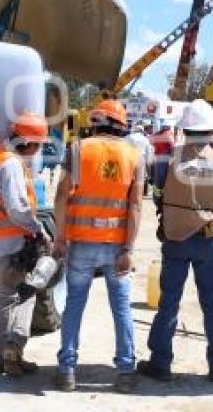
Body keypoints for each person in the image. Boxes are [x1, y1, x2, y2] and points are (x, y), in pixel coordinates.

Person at [137, 99, 213, 383]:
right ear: (211, 130)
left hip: (176, 239)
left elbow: (158, 195)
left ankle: (160, 363)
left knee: (169, 301)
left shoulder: (169, 160)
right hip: (210, 241)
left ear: (186, 128)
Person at [52, 99, 144, 393]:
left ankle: (67, 370)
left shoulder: (77, 149)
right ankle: (126, 372)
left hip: (81, 243)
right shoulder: (134, 155)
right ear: (121, 125)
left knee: (74, 305)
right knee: (121, 308)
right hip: (117, 246)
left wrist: (60, 238)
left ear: (95, 122)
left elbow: (61, 196)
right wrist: (128, 249)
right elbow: (136, 205)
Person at [0, 112, 51, 377]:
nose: (38, 150)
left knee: (6, 295)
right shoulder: (11, 165)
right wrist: (38, 229)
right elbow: (17, 207)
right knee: (26, 293)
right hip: (12, 241)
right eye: (39, 144)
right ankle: (13, 346)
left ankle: (0, 357)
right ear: (29, 143)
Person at [126, 123, 154, 196]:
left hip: (130, 160)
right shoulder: (145, 139)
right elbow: (148, 151)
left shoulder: (127, 137)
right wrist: (149, 163)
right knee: (142, 178)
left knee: (130, 177)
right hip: (141, 160)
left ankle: (129, 192)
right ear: (141, 131)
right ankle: (141, 193)